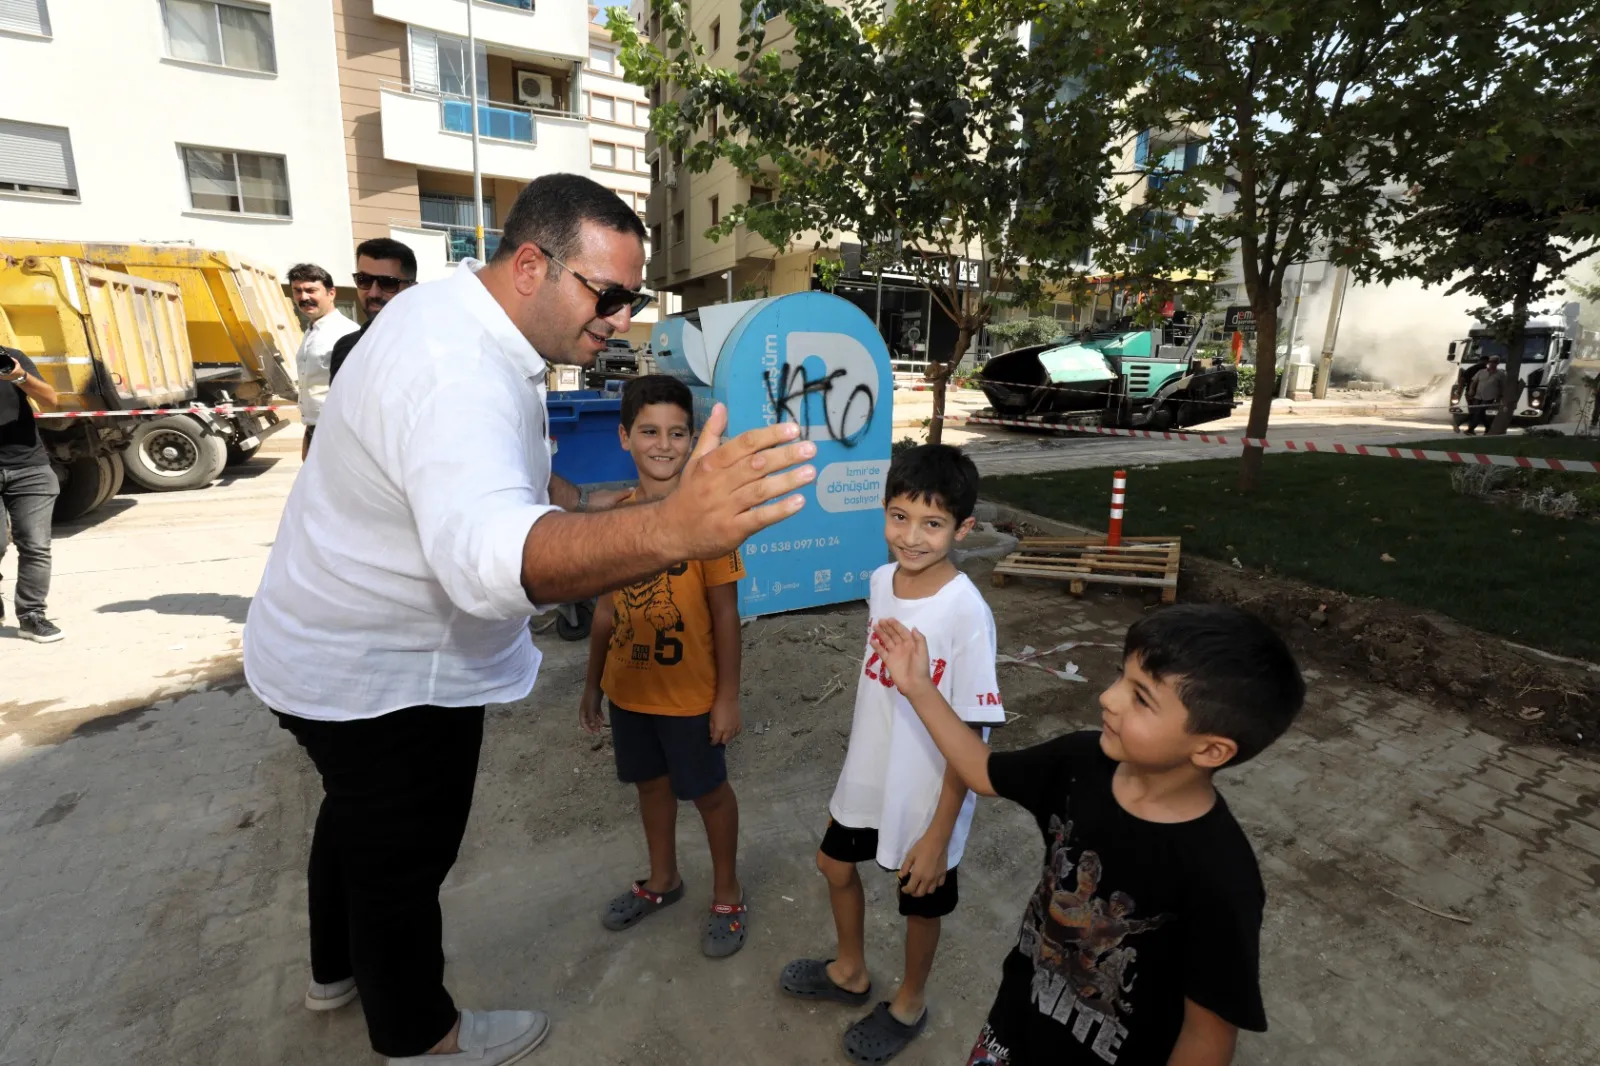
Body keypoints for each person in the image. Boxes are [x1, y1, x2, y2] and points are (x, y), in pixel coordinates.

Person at [244, 173, 816, 1066]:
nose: (622, 317)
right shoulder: (457, 368)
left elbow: (503, 483)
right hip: (384, 673)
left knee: (354, 816)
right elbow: (488, 557)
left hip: (328, 651)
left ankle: (333, 970)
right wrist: (670, 528)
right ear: (529, 265)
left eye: (634, 297)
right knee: (402, 855)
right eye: (609, 293)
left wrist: (596, 509)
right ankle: (420, 1038)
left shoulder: (451, 320)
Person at [869, 603, 1306, 1066]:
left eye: (1141, 697)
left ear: (1211, 749)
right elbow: (980, 771)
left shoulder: (1222, 877)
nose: (1108, 697)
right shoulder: (1079, 764)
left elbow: (1207, 1036)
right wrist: (917, 685)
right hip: (1014, 1023)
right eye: (1122, 676)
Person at [780, 444, 1006, 1065]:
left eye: (932, 524)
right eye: (899, 516)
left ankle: (909, 1001)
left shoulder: (966, 613)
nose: (911, 537)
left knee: (919, 902)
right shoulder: (881, 582)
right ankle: (850, 970)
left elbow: (974, 733)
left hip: (928, 794)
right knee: (834, 865)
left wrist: (939, 832)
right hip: (868, 776)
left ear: (963, 528)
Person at [579, 374, 748, 957]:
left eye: (678, 432)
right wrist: (592, 685)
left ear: (693, 438)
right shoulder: (615, 520)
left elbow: (725, 616)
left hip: (690, 697)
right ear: (625, 436)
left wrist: (726, 697)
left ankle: (727, 891)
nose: (664, 443)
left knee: (708, 792)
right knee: (649, 785)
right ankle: (663, 880)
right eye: (649, 430)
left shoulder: (708, 523)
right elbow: (605, 610)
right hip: (629, 692)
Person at [0, 346, 62, 642]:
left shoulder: (11, 358)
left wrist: (19, 376)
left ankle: (31, 616)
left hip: (29, 467)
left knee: (36, 545)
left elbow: (50, 400)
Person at [287, 263, 360, 459]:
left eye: (311, 290)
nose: (303, 297)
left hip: (337, 433)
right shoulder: (311, 332)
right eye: (297, 291)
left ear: (331, 293)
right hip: (313, 429)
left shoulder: (346, 334)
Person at [327, 238, 419, 387]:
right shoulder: (346, 347)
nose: (373, 293)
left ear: (412, 288)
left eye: (388, 283)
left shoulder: (432, 346)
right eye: (364, 280)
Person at [1465, 357, 1507, 435]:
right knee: (1478, 412)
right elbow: (1474, 382)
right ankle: (1488, 428)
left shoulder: (1500, 374)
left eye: (1494, 362)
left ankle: (1470, 429)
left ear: (1497, 363)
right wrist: (1471, 390)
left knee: (1480, 411)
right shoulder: (1481, 372)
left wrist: (1500, 397)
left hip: (1490, 396)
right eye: (1490, 361)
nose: (1492, 363)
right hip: (1478, 395)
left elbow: (1503, 386)